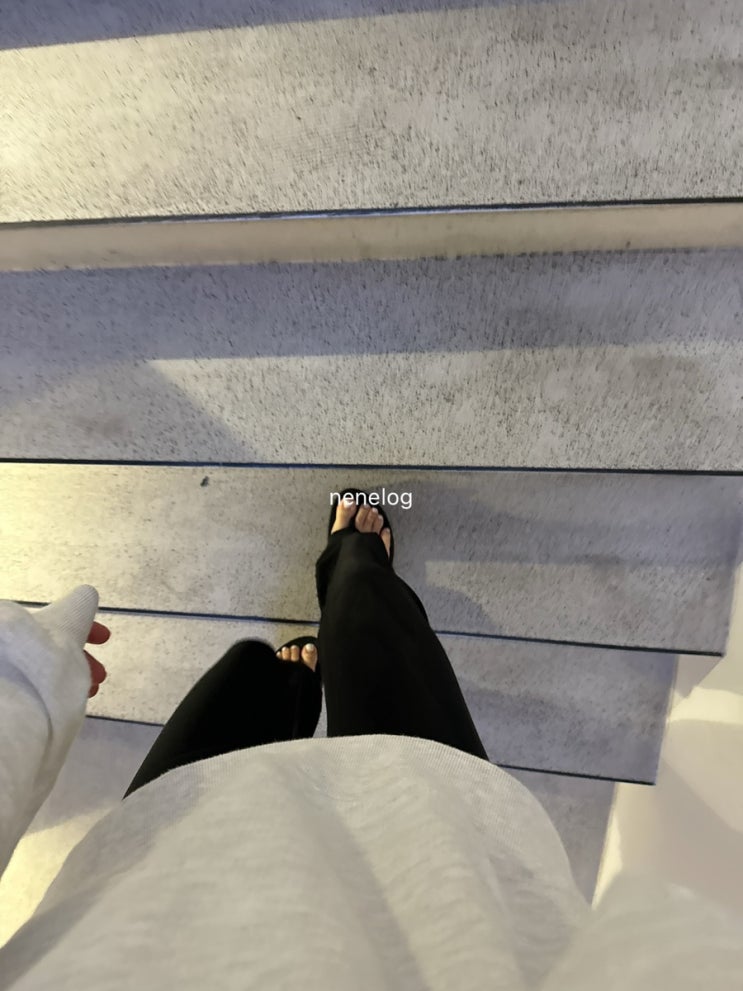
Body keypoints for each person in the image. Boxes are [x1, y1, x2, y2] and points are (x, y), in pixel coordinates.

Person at [0, 489, 741, 990]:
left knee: (244, 685)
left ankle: (303, 668)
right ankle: (354, 568)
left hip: (127, 909)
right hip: (430, 903)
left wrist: (30, 675)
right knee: (376, 673)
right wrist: (26, 671)